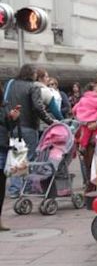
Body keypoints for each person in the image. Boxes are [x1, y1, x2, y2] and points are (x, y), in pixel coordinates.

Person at [4, 64, 57, 198]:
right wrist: (51, 122)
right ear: (32, 74)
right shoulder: (33, 87)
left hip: (13, 125)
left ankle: (15, 190)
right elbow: (38, 108)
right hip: (28, 126)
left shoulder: (12, 84)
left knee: (17, 158)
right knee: (31, 158)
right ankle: (28, 188)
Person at [0, 83, 20, 230]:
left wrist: (13, 118)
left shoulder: (4, 103)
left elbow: (8, 126)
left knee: (1, 186)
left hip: (2, 147)